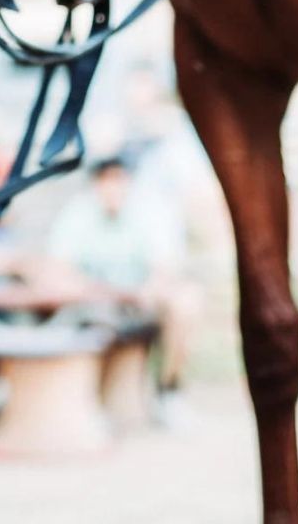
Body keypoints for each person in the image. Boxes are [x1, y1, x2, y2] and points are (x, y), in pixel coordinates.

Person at [47, 155, 202, 428]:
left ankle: (169, 390)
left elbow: (165, 267)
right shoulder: (78, 213)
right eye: (106, 181)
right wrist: (98, 291)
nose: (113, 189)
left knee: (187, 303)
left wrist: (148, 290)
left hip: (139, 304)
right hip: (94, 305)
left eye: (119, 180)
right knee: (94, 321)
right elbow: (58, 268)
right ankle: (92, 405)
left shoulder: (148, 211)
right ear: (96, 185)